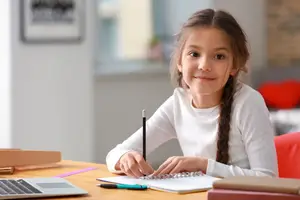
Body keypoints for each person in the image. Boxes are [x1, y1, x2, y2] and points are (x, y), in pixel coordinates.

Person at [105, 8, 278, 178]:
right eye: (194, 54)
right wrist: (124, 158)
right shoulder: (178, 104)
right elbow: (116, 153)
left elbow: (268, 179)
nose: (204, 65)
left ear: (234, 65)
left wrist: (202, 165)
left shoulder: (248, 103)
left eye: (219, 56)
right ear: (179, 61)